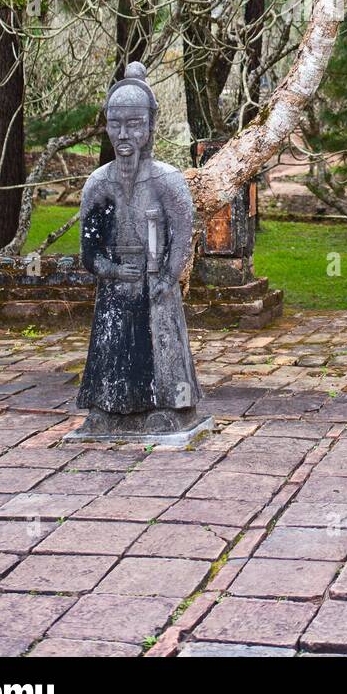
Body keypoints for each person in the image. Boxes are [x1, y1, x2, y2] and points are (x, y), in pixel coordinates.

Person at [77, 61, 202, 436]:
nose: (124, 134)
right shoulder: (99, 183)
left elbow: (183, 233)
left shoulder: (167, 180)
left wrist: (167, 276)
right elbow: (89, 249)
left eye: (133, 124)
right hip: (117, 284)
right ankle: (107, 408)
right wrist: (113, 271)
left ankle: (168, 407)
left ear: (150, 126)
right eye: (115, 124)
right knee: (112, 344)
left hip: (155, 283)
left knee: (161, 344)